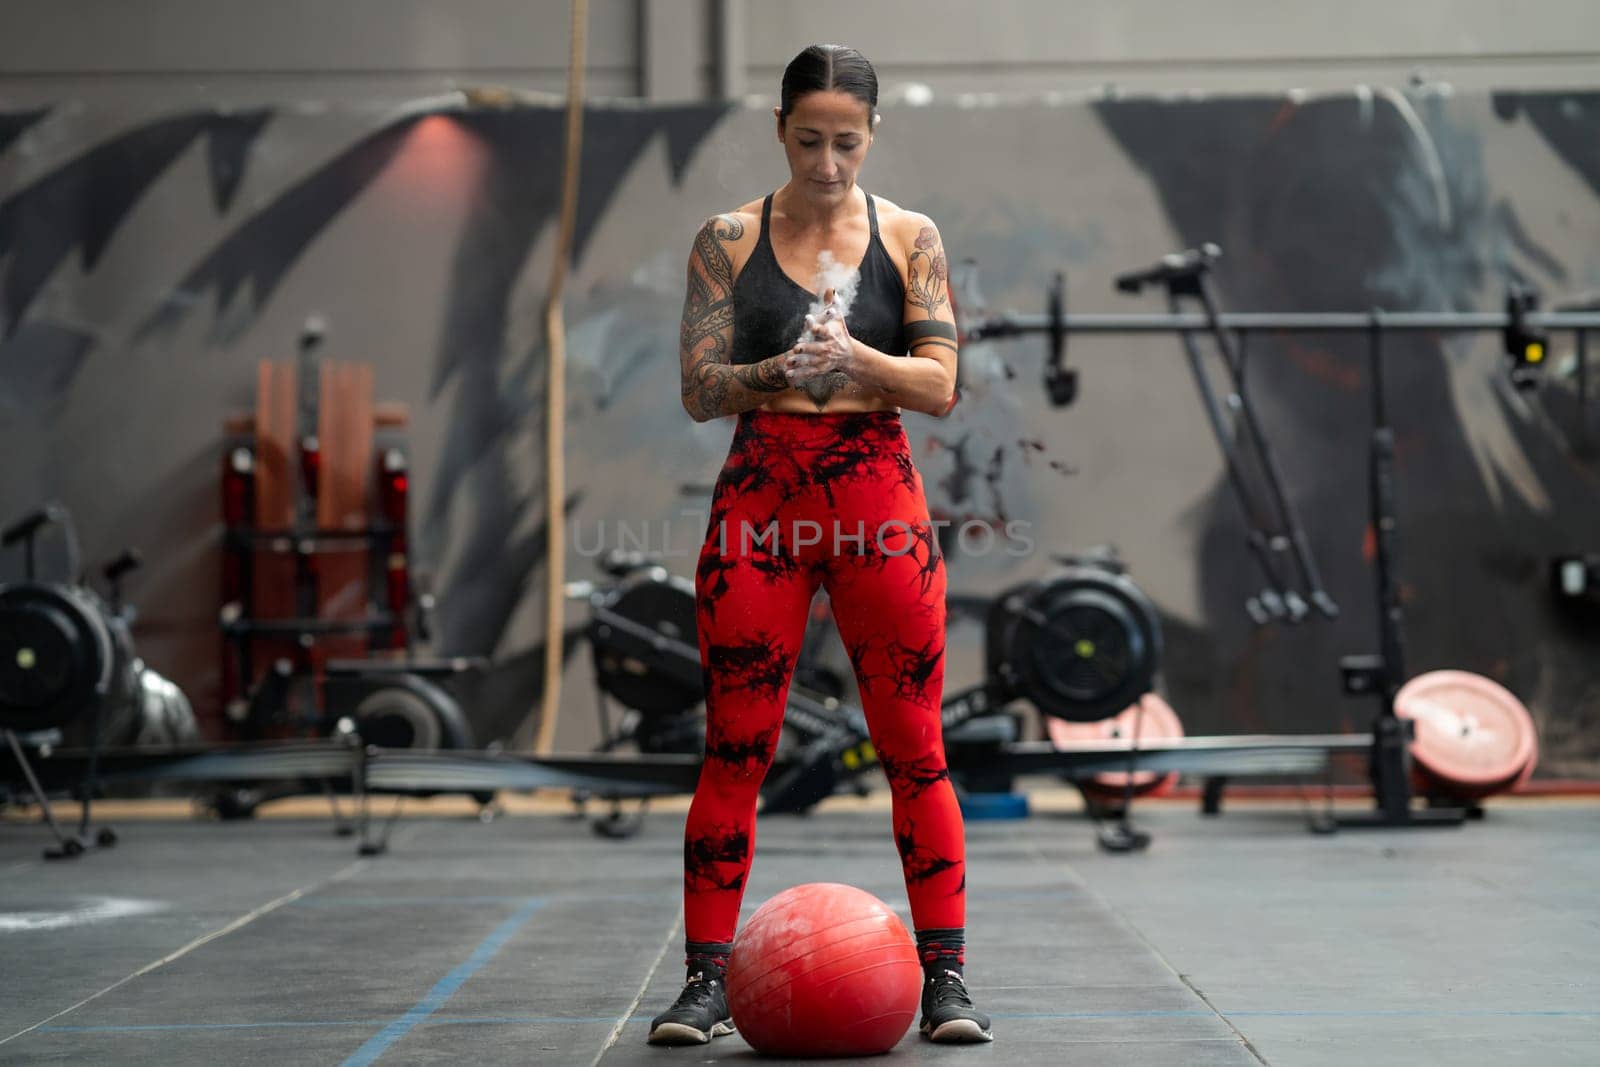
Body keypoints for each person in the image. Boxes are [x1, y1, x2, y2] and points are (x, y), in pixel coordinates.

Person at [646, 43, 991, 1048]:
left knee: (913, 746)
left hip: (875, 497)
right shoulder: (728, 237)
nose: (828, 163)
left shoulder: (910, 236)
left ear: (871, 135)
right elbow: (700, 387)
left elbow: (937, 383)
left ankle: (946, 978)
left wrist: (853, 358)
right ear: (780, 129)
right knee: (735, 744)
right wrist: (775, 371)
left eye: (846, 142)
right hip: (762, 503)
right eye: (809, 141)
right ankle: (705, 980)